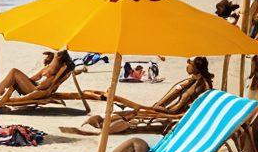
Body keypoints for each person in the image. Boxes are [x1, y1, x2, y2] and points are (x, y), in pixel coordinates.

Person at [66, 57, 213, 135]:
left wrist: (161, 110)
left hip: (176, 113)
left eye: (189, 63)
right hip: (169, 110)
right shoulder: (192, 80)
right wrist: (157, 106)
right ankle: (103, 122)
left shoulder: (200, 84)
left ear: (196, 67)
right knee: (134, 110)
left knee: (136, 112)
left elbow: (181, 104)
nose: (187, 65)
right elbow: (172, 95)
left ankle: (104, 127)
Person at [0, 50, 73, 110]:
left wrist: (23, 83)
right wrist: (21, 81)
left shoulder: (54, 74)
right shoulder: (47, 69)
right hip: (31, 86)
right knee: (14, 75)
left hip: (35, 90)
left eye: (57, 55)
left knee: (14, 71)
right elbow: (33, 78)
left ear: (60, 60)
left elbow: (42, 89)